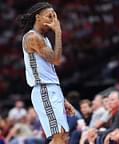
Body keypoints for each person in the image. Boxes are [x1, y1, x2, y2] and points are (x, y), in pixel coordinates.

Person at [17, 2, 75, 144]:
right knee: (58, 136)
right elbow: (56, 60)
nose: (53, 20)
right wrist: (59, 32)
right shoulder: (32, 37)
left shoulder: (44, 38)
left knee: (63, 136)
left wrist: (62, 99)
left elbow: (50, 71)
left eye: (54, 16)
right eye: (49, 16)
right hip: (43, 90)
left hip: (51, 88)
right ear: (38, 17)